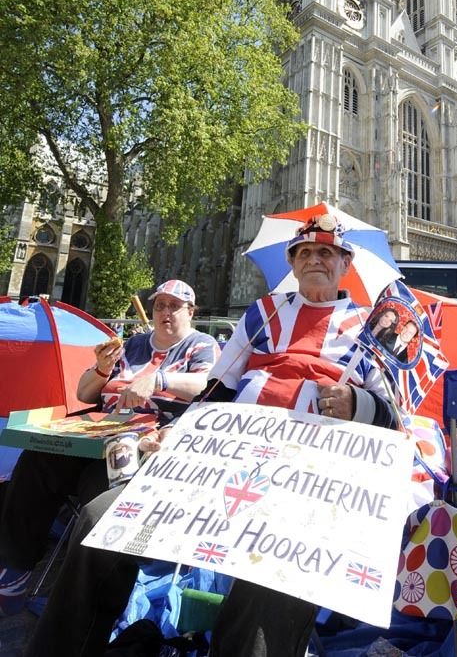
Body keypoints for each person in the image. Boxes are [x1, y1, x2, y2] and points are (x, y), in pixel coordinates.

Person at [18, 216, 397, 657]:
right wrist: (179, 432)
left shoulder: (369, 329)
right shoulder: (263, 314)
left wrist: (358, 403)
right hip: (224, 463)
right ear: (292, 263)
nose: (315, 259)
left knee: (278, 578)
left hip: (304, 483)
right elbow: (218, 388)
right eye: (305, 252)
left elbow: (392, 419)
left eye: (326, 252)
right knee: (98, 520)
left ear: (344, 264)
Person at [0, 279, 218, 622]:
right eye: (159, 305)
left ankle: (80, 594)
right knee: (34, 462)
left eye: (174, 306)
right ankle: (16, 565)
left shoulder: (200, 344)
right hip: (95, 431)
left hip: (145, 440)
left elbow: (205, 385)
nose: (164, 312)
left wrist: (158, 380)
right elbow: (86, 395)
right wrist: (102, 368)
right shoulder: (132, 345)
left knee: (100, 488)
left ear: (191, 312)